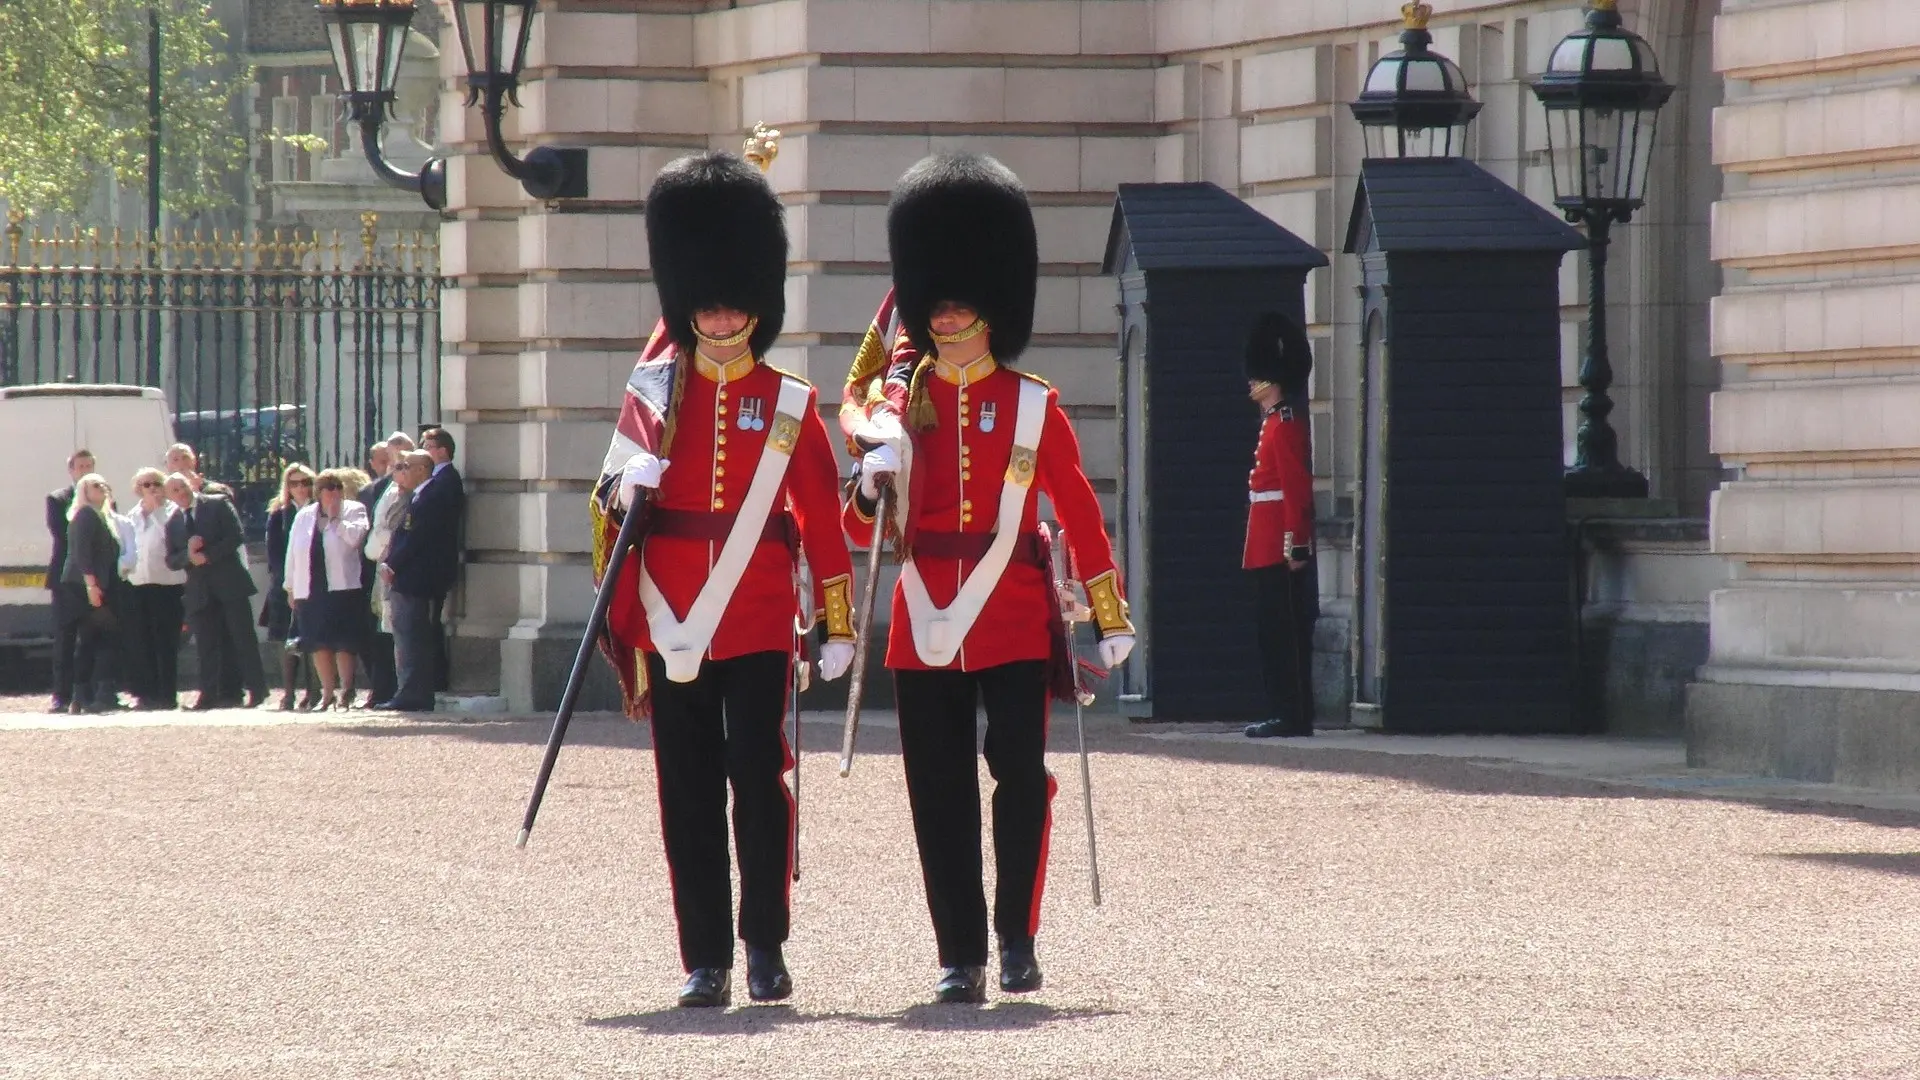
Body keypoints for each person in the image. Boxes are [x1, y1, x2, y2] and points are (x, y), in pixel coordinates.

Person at [842, 152, 1136, 1005]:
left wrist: (1108, 612)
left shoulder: (1031, 403)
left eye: (964, 296)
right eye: (938, 296)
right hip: (925, 607)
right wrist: (870, 474)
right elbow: (854, 526)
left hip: (1009, 612)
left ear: (992, 303)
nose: (949, 309)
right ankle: (959, 952)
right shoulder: (899, 405)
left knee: (1017, 778)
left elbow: (1076, 509)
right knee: (937, 793)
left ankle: (1016, 936)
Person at [588, 150, 857, 1009]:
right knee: (688, 796)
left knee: (757, 782)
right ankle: (704, 957)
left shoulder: (788, 401)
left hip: (757, 618)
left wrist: (841, 623)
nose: (719, 311)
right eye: (704, 297)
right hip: (672, 618)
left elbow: (821, 520)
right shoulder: (655, 398)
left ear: (759, 304)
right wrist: (623, 486)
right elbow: (610, 499)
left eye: (734, 297)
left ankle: (765, 944)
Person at [1240, 313, 1319, 740]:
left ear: (1274, 380)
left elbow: (1296, 490)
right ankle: (1285, 710)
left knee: (1282, 633)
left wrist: (1296, 545)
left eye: (1259, 376)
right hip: (1265, 541)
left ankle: (1291, 714)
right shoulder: (1274, 421)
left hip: (1279, 546)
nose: (1252, 383)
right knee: (1272, 632)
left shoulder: (1286, 424)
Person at [164, 472, 267, 710]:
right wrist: (189, 556)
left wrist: (207, 555)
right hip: (200, 590)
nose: (181, 492)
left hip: (229, 583)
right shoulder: (174, 522)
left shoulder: (217, 504)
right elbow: (171, 559)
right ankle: (208, 694)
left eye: (183, 486)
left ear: (191, 485)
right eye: (175, 490)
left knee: (243, 639)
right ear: (170, 496)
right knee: (206, 645)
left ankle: (257, 689)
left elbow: (236, 536)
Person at [378, 440, 460, 712]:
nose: (401, 471)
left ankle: (413, 693)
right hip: (409, 577)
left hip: (415, 579)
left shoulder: (431, 495)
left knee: (411, 637)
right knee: (406, 635)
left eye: (406, 466)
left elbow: (416, 538)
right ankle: (410, 690)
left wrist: (392, 565)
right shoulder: (420, 495)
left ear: (423, 469)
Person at [286, 468, 372, 711]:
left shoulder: (354, 510)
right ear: (319, 492)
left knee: (344, 641)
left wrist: (337, 520)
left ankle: (346, 690)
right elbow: (293, 552)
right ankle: (326, 693)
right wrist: (290, 586)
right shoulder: (304, 515)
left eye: (336, 487)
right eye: (327, 488)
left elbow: (356, 539)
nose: (332, 492)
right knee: (318, 642)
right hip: (311, 587)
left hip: (343, 587)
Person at [121, 467, 187, 710]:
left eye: (156, 484)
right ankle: (146, 693)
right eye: (146, 484)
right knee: (142, 640)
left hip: (167, 585)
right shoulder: (132, 516)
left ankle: (167, 694)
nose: (151, 488)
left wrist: (157, 510)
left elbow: (171, 541)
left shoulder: (171, 513)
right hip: (138, 585)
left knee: (166, 641)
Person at [357, 433, 414, 705]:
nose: (397, 466)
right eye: (395, 460)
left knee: (401, 631)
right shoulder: (380, 488)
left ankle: (398, 688)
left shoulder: (413, 490)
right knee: (384, 630)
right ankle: (384, 687)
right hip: (380, 564)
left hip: (398, 565)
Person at [61, 473, 125, 714]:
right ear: (84, 491)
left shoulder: (103, 516)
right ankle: (102, 693)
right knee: (106, 637)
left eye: (104, 484)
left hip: (97, 583)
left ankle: (82, 695)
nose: (103, 488)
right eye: (95, 485)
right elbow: (82, 553)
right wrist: (91, 585)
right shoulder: (86, 514)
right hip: (87, 585)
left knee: (90, 640)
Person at [263, 464, 318, 710]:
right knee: (285, 638)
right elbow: (274, 552)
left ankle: (314, 691)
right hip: (286, 583)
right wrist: (288, 586)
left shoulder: (319, 509)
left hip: (314, 582)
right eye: (294, 483)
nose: (300, 488)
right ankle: (288, 692)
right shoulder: (279, 513)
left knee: (313, 638)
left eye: (305, 482)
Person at [46, 449, 96, 711]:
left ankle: (90, 691)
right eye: (81, 466)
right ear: (72, 470)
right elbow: (62, 534)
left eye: (89, 465)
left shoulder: (103, 496)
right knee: (65, 639)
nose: (85, 470)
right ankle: (61, 694)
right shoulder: (58, 499)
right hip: (66, 578)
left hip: (96, 579)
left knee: (94, 637)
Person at [416, 425, 464, 692]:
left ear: (442, 451)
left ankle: (437, 679)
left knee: (431, 622)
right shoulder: (435, 478)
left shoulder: (446, 479)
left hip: (435, 563)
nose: (424, 450)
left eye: (428, 446)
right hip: (430, 563)